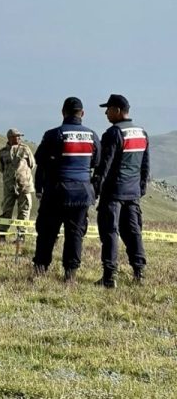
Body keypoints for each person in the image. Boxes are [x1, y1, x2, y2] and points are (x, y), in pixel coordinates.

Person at [32, 97, 100, 283]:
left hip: (56, 191)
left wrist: (41, 186)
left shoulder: (53, 134)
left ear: (63, 113)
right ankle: (70, 274)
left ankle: (40, 269)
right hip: (82, 193)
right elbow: (96, 162)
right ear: (82, 113)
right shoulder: (92, 136)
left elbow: (40, 160)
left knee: (47, 232)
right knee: (75, 234)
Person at [92, 94, 149, 288]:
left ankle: (109, 276)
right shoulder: (141, 133)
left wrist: (96, 189)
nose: (106, 113)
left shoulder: (114, 133)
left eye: (108, 109)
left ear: (117, 110)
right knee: (134, 232)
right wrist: (140, 189)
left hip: (113, 193)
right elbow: (145, 165)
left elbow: (104, 166)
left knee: (110, 232)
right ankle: (139, 272)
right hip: (132, 192)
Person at [0, 128, 36, 243]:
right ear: (10, 138)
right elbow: (1, 168)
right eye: (16, 136)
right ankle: (1, 235)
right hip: (9, 186)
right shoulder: (2, 152)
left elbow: (32, 164)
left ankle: (21, 236)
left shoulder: (25, 149)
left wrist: (23, 174)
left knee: (24, 210)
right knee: (6, 210)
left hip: (24, 186)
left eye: (19, 136)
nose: (19, 138)